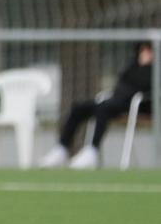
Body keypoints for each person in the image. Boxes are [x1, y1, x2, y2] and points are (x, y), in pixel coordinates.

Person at [41, 42, 153, 170]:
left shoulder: (154, 70)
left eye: (149, 50)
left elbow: (145, 86)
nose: (145, 53)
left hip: (138, 105)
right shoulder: (133, 65)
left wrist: (146, 67)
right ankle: (61, 148)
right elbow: (122, 82)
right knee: (79, 108)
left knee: (103, 108)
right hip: (117, 100)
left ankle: (92, 150)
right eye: (143, 49)